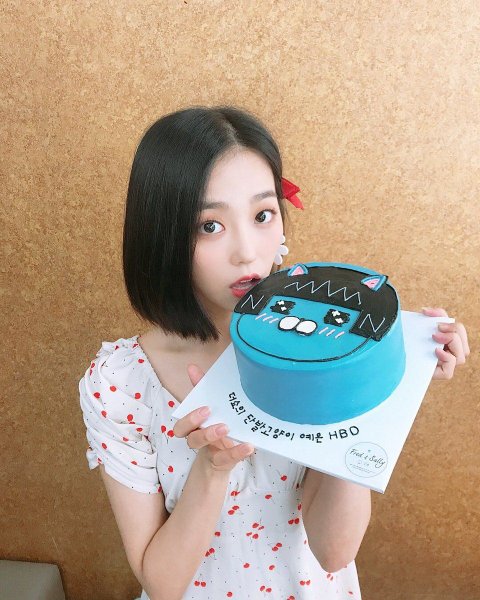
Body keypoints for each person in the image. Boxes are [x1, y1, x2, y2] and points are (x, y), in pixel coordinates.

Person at [78, 105, 470, 600]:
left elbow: (334, 551)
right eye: (209, 226)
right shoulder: (120, 383)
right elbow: (161, 583)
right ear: (162, 237)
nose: (247, 252)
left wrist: (372, 382)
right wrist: (213, 468)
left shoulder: (321, 349)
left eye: (263, 215)